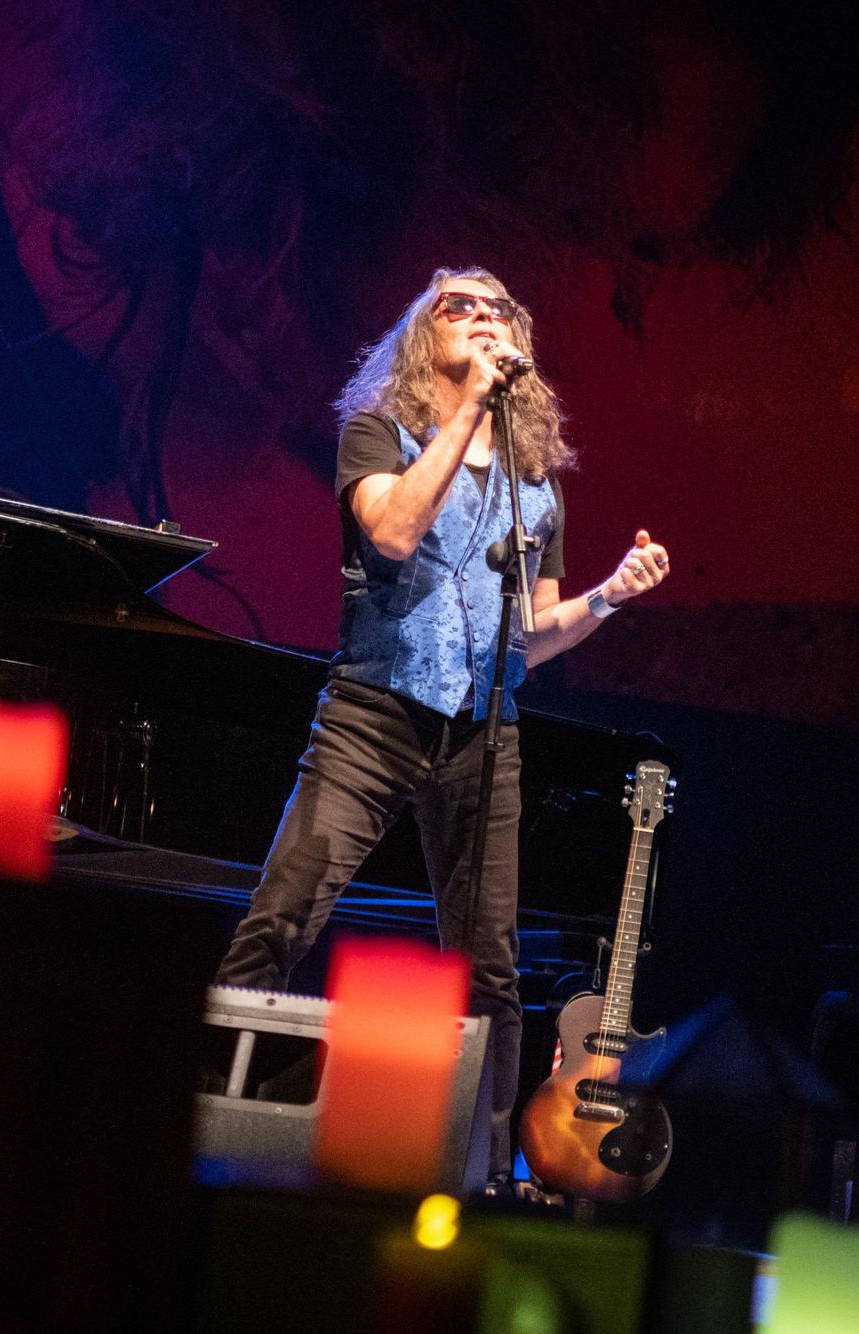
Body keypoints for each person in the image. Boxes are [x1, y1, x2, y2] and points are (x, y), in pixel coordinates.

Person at [211, 268, 671, 1189]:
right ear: (426, 339)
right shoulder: (381, 432)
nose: (479, 317)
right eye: (455, 307)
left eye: (495, 308)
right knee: (282, 920)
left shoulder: (534, 484)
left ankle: (481, 1178)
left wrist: (608, 598)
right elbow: (389, 532)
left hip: (482, 736)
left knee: (490, 974)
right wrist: (467, 410)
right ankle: (210, 1124)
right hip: (372, 717)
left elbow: (530, 638)